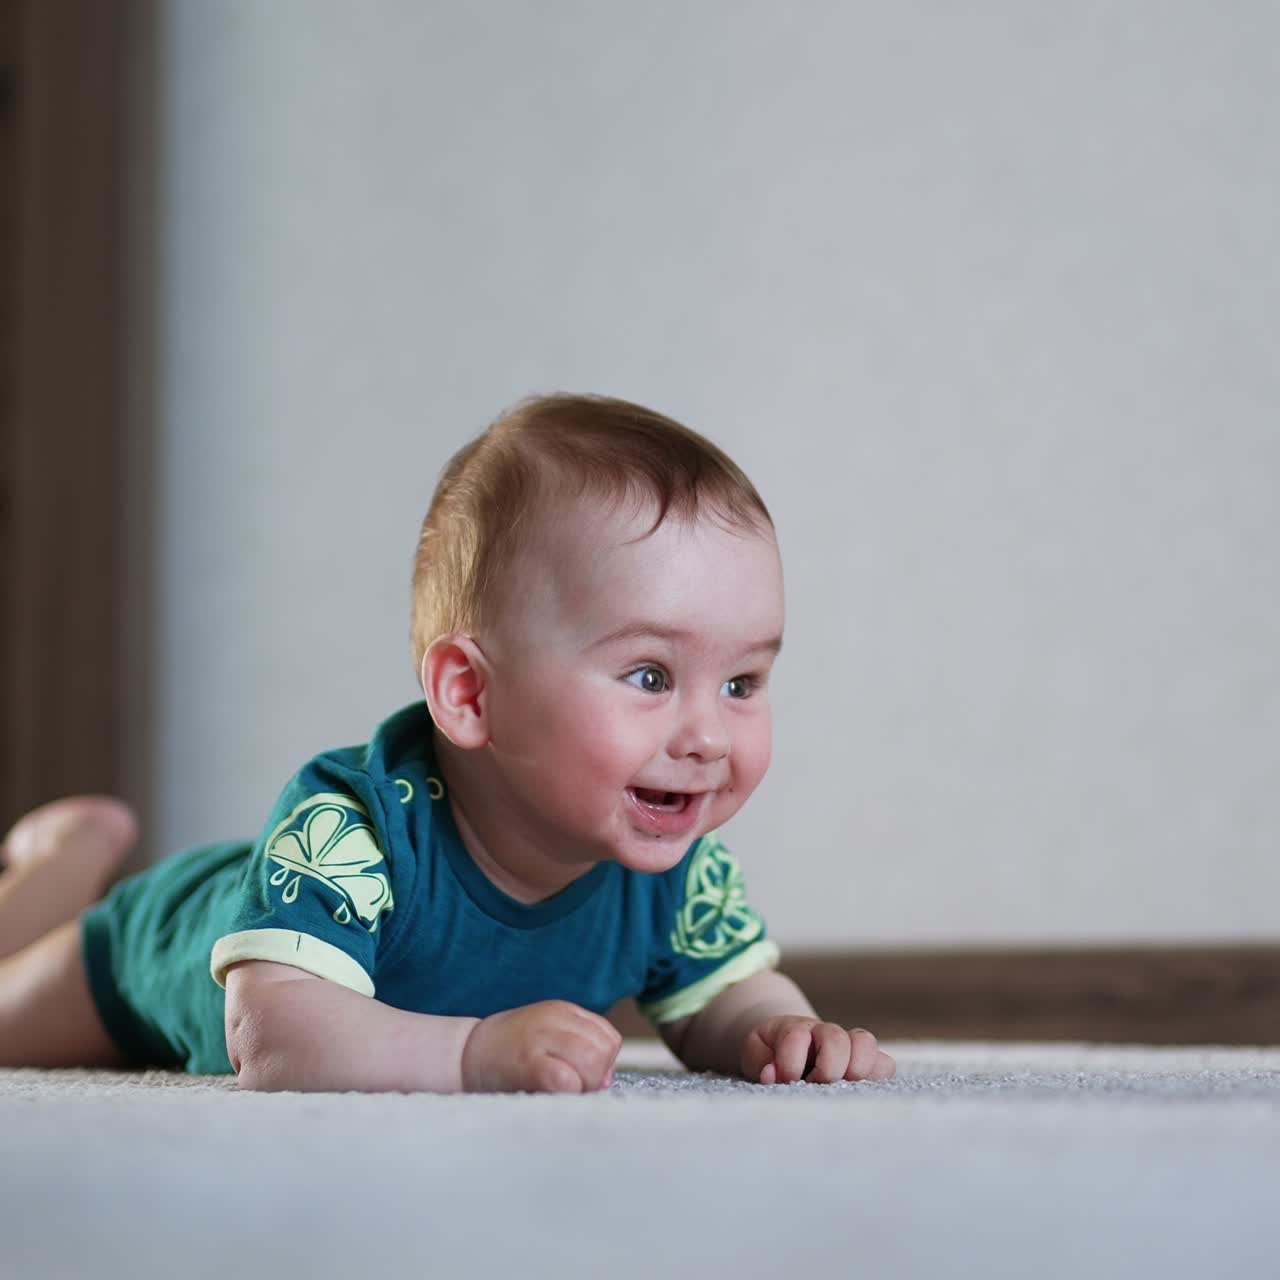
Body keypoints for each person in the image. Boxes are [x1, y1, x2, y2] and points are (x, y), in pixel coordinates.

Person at [0, 393, 896, 1092]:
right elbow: (273, 1037)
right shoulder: (349, 829)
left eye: (742, 683)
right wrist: (471, 1055)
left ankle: (71, 859)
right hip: (150, 949)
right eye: (651, 676)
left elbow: (720, 998)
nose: (707, 735)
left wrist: (780, 1032)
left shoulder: (676, 869)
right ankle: (64, 863)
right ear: (471, 694)